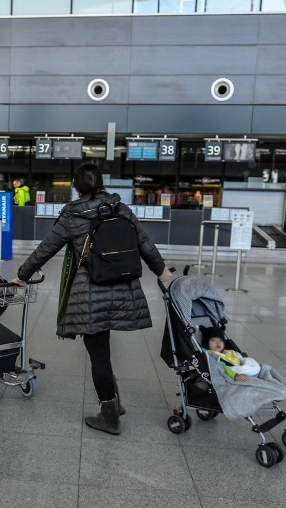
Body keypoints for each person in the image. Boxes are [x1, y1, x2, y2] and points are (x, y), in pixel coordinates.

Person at [12, 163, 172, 435]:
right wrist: (162, 271)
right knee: (103, 351)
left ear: (77, 186)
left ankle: (109, 416)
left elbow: (46, 249)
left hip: (91, 292)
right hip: (123, 288)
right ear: (101, 183)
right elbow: (145, 243)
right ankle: (115, 403)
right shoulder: (120, 208)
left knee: (99, 353)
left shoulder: (72, 215)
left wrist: (22, 275)